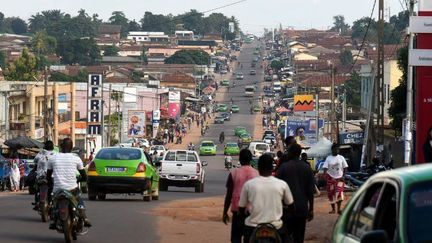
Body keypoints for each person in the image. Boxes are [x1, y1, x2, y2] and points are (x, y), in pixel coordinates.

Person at [239, 154, 294, 243]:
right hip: (276, 226)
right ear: (272, 168)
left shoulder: (249, 185)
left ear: (259, 167)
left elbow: (241, 208)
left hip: (252, 226)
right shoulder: (282, 184)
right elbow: (291, 206)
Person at [47, 138, 91, 229]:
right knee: (79, 198)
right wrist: (79, 180)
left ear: (61, 147)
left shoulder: (53, 158)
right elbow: (84, 176)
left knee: (54, 203)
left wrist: (51, 183)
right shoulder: (76, 158)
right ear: (71, 148)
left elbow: (48, 175)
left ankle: (54, 220)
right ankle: (84, 217)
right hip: (72, 188)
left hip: (58, 189)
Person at [277, 144, 315, 243]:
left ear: (290, 153)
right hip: (301, 209)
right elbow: (310, 191)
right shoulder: (307, 168)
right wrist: (311, 209)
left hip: (286, 210)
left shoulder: (284, 167)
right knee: (299, 237)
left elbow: (277, 189)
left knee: (285, 237)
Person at [223, 149, 258, 243]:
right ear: (251, 159)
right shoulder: (256, 174)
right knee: (249, 238)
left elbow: (229, 195)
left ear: (240, 159)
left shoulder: (233, 173)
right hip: (252, 213)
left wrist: (225, 212)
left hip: (237, 212)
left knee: (235, 238)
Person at [323, 144, 348, 215]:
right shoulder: (328, 158)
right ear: (332, 150)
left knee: (339, 193)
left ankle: (339, 209)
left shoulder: (341, 157)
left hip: (340, 179)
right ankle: (333, 209)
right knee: (331, 194)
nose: (337, 150)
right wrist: (325, 176)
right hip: (331, 179)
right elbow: (325, 168)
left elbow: (345, 167)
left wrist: (344, 176)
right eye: (335, 149)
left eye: (338, 149)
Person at [33, 141, 56, 209]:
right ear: (53, 147)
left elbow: (35, 161)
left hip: (41, 176)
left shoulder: (40, 153)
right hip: (52, 176)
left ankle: (37, 201)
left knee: (37, 188)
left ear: (44, 147)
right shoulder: (56, 154)